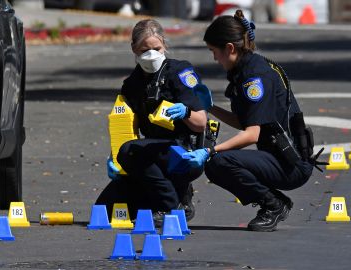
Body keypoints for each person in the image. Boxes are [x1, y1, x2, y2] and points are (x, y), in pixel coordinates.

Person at [183, 10, 318, 232]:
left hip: (291, 164)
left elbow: (251, 135)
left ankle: (273, 205)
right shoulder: (246, 69)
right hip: (279, 157)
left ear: (230, 48)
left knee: (218, 163)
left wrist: (210, 151)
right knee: (218, 162)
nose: (214, 58)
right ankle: (274, 202)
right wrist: (210, 107)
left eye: (214, 51)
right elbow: (245, 122)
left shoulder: (255, 77)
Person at [95, 19, 208, 226]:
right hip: (149, 155)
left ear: (164, 44)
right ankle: (173, 193)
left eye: (156, 48)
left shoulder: (179, 72)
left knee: (130, 151)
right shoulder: (132, 83)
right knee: (106, 207)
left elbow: (201, 123)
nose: (151, 55)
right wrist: (114, 157)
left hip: (182, 152)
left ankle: (170, 205)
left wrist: (185, 112)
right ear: (134, 49)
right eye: (144, 50)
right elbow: (128, 128)